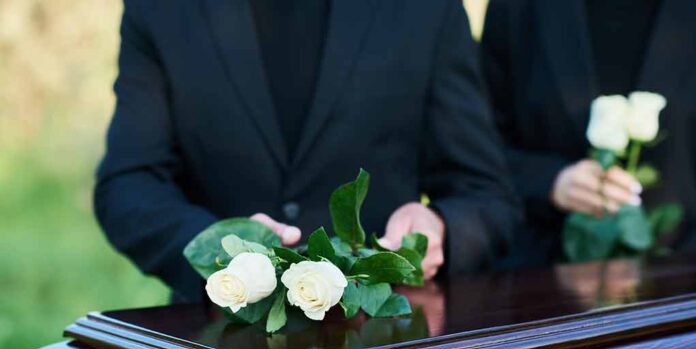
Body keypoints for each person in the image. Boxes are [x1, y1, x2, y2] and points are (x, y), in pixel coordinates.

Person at [95, 0, 521, 302]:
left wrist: (441, 227)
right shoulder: (159, 9)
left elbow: (486, 194)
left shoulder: (426, 9)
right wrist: (218, 250)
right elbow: (128, 186)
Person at [481, 0, 696, 268]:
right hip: (542, 278)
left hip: (683, 277)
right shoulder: (519, 8)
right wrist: (550, 181)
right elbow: (479, 148)